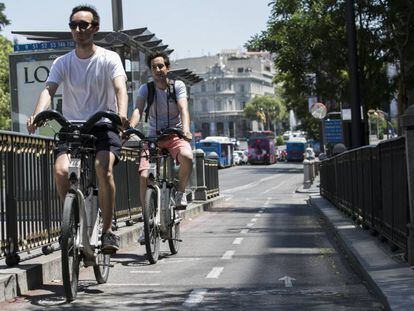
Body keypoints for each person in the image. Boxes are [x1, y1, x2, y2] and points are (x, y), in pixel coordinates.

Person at [26, 5, 128, 253]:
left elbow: (120, 89)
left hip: (103, 125)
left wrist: (122, 114)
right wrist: (38, 113)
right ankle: (70, 223)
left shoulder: (109, 58)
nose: (78, 30)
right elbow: (48, 89)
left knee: (102, 169)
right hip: (73, 128)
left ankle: (107, 232)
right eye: (73, 25)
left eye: (84, 25)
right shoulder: (63, 62)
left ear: (95, 28)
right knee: (61, 171)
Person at [129, 51, 193, 239]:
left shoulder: (177, 86)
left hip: (175, 135)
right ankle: (147, 223)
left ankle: (180, 192)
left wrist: (186, 130)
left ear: (167, 68)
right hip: (152, 139)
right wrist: (131, 127)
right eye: (154, 67)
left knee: (188, 157)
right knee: (143, 176)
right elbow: (137, 110)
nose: (157, 70)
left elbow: (183, 109)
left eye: (161, 66)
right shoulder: (146, 89)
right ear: (150, 70)